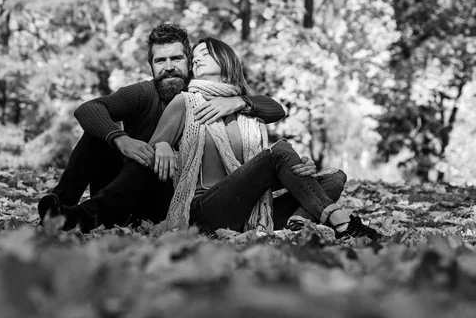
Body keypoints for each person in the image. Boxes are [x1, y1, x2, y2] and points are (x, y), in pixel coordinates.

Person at [38, 23, 298, 229]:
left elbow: (274, 108)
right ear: (151, 66)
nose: (169, 67)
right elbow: (88, 108)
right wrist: (121, 139)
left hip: (169, 198)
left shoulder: (205, 95)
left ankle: (80, 218)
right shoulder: (144, 93)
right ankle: (58, 209)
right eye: (160, 61)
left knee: (154, 160)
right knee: (98, 136)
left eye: (176, 58)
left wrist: (239, 102)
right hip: (122, 189)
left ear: (190, 61)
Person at [147, 37, 381, 239]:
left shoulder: (249, 114)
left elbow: (275, 114)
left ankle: (297, 226)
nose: (196, 59)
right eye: (194, 56)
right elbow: (153, 147)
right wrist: (163, 144)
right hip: (204, 209)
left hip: (248, 210)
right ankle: (343, 223)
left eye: (205, 53)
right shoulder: (186, 102)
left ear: (225, 60)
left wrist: (297, 170)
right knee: (278, 152)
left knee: (334, 177)